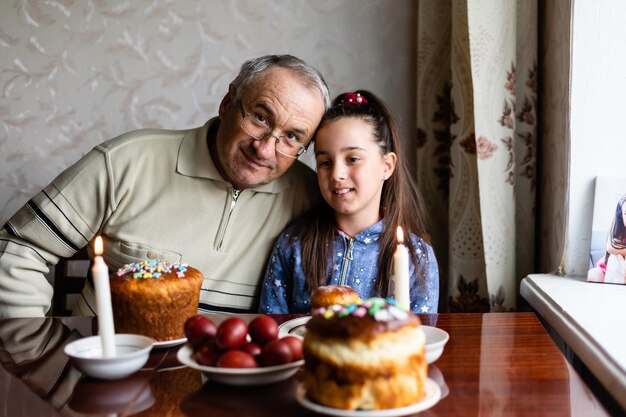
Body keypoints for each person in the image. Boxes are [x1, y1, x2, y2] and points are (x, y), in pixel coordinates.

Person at [0, 54, 330, 317]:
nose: (265, 149)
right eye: (259, 118)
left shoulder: (310, 196)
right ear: (228, 102)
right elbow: (19, 249)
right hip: (104, 383)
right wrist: (32, 352)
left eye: (291, 137)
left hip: (229, 390)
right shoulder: (125, 161)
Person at [258, 90, 439, 314]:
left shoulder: (417, 256)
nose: (337, 174)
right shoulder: (293, 245)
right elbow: (272, 330)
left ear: (387, 166)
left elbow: (418, 337)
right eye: (325, 162)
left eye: (352, 159)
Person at [588, 194, 626, 284]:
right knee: (591, 275)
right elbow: (610, 247)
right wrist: (622, 263)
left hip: (619, 271)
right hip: (609, 267)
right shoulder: (619, 231)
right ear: (621, 216)